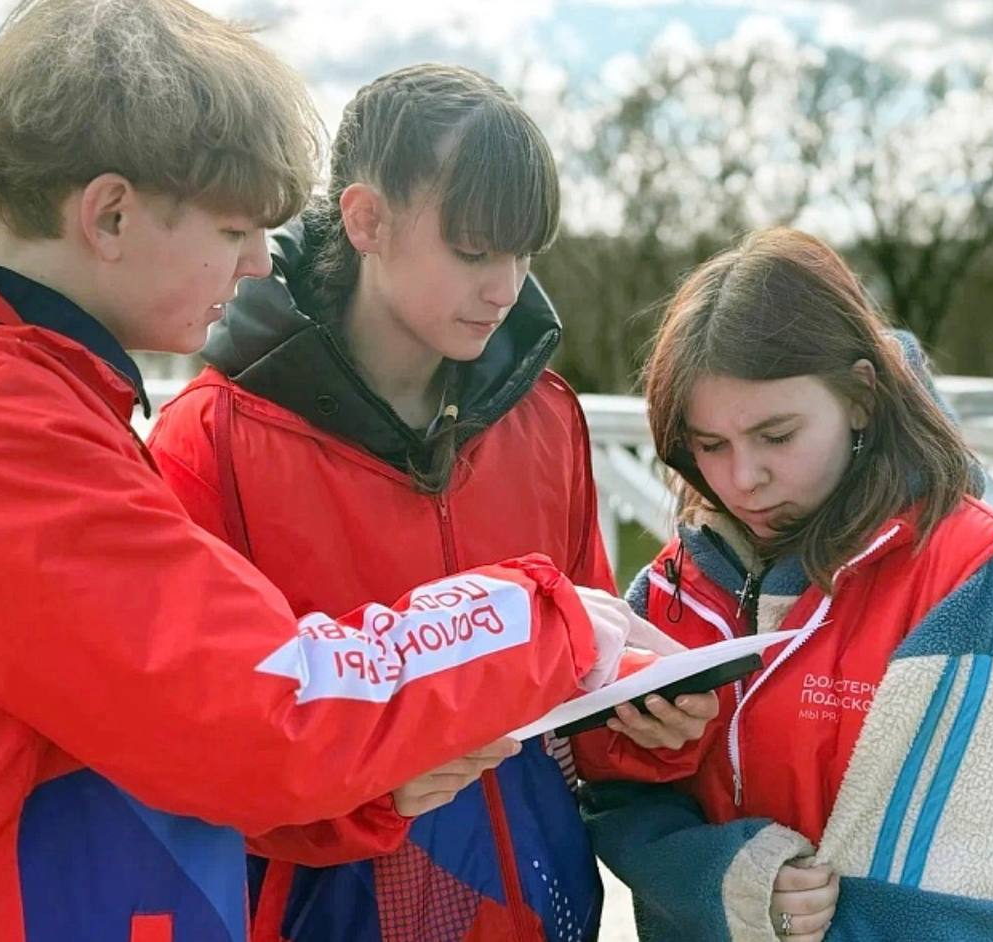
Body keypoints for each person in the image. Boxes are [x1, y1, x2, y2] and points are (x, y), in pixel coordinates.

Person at [0, 3, 656, 940]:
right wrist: (540, 617)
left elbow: (158, 731)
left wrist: (373, 790)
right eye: (233, 228)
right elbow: (267, 708)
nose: (255, 264)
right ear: (111, 215)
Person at [147, 63, 715, 942]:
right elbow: (189, 753)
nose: (507, 288)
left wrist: (653, 725)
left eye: (525, 253)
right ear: (366, 220)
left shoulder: (546, 417)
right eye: (475, 251)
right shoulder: (209, 439)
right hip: (318, 916)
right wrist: (375, 788)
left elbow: (583, 686)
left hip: (545, 910)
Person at [578, 228, 993, 942]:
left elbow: (968, 885)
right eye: (710, 445)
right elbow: (613, 797)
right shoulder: (669, 593)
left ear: (861, 396)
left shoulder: (971, 577)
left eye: (776, 436)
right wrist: (721, 881)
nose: (744, 478)